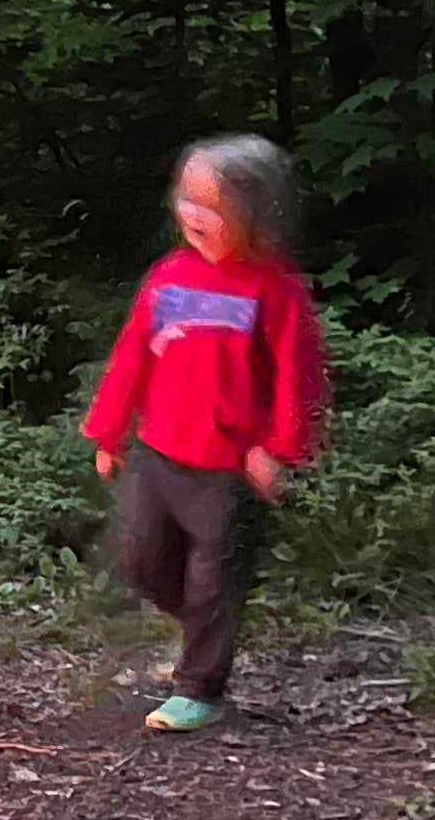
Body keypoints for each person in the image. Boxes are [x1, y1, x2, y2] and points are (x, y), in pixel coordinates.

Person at [81, 132, 332, 732]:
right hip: (158, 453)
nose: (192, 215)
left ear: (252, 213)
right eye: (186, 199)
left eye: (211, 206)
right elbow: (132, 358)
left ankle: (201, 688)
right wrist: (109, 431)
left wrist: (279, 449)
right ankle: (201, 626)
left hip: (226, 467)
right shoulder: (169, 277)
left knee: (214, 576)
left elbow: (301, 380)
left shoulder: (275, 291)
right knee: (141, 558)